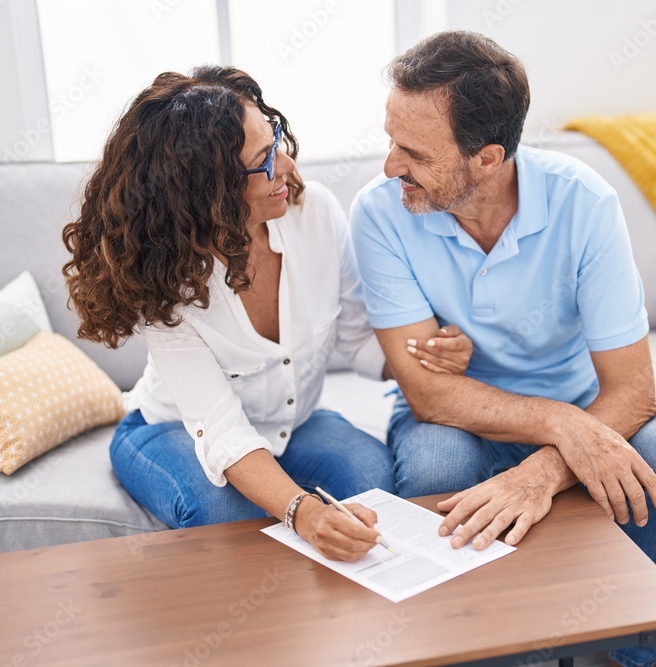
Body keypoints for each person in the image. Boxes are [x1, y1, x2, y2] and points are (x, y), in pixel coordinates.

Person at [350, 32, 656, 666]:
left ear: (489, 158)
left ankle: (634, 653)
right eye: (390, 141)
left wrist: (544, 468)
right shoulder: (381, 213)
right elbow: (428, 389)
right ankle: (495, 653)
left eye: (412, 152)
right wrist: (560, 427)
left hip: (579, 400)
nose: (389, 167)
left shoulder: (584, 202)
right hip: (456, 415)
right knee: (438, 473)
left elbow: (633, 390)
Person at [62, 66, 472, 562]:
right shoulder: (162, 277)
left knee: (372, 490)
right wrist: (302, 510)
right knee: (229, 518)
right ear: (205, 191)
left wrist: (426, 354)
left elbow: (354, 341)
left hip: (296, 424)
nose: (287, 163)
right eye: (262, 160)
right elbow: (222, 431)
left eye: (275, 138)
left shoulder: (315, 214)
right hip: (173, 430)